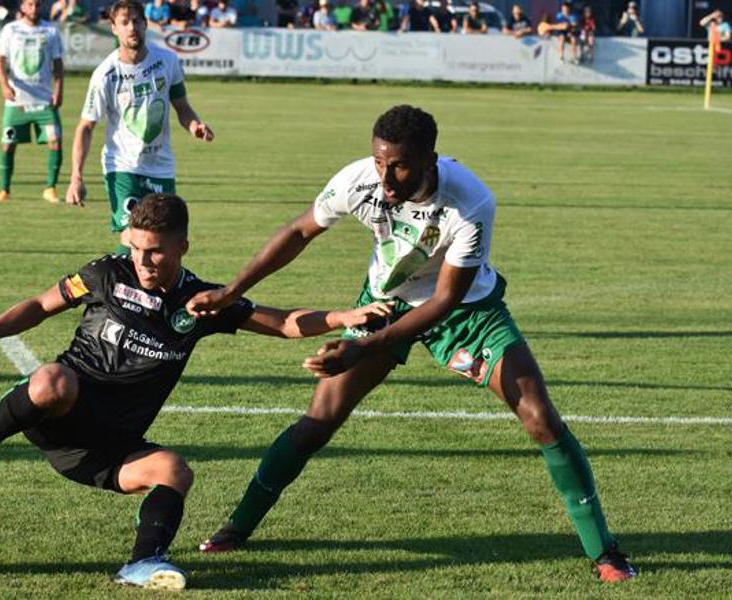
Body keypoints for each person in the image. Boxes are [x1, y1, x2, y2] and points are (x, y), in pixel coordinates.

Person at [186, 105, 639, 584]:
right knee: (316, 424)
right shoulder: (359, 180)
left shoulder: (470, 201)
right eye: (381, 162)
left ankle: (604, 552)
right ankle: (238, 526)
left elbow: (445, 300)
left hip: (467, 312)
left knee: (540, 418)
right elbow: (299, 231)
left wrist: (365, 347)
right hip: (384, 303)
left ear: (430, 159)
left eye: (399, 165)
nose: (387, 176)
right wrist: (231, 291)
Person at [0, 193, 391, 590]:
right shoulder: (106, 274)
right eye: (137, 248)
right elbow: (41, 303)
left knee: (174, 470)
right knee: (51, 380)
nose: (143, 261)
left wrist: (343, 317)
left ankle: (142, 562)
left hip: (109, 452)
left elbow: (284, 322)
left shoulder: (201, 303)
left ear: (183, 246)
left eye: (156, 251)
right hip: (58, 419)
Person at [66, 0, 214, 255]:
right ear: (114, 28)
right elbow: (86, 127)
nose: (132, 27)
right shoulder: (106, 75)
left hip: (160, 165)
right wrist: (75, 177)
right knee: (132, 236)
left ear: (145, 24)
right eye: (124, 22)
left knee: (163, 239)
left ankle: (154, 292)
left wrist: (195, 126)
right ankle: (117, 291)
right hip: (123, 165)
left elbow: (182, 107)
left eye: (136, 20)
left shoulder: (168, 61)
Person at [0, 0, 65, 204]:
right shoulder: (11, 29)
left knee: (55, 143)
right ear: (22, 7)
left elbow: (58, 64)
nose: (34, 9)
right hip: (17, 102)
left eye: (38, 5)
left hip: (44, 100)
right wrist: (4, 86)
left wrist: (59, 90)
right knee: (8, 145)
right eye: (30, 4)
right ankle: (5, 189)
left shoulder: (50, 31)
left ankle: (50, 188)